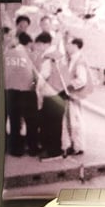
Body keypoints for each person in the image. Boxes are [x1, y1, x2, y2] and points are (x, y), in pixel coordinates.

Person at [34, 31, 67, 161]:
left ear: (44, 44)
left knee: (50, 124)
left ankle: (53, 151)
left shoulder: (49, 56)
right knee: (55, 124)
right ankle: (54, 149)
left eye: (38, 45)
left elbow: (44, 76)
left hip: (52, 94)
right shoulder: (59, 55)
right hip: (60, 93)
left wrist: (37, 90)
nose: (37, 48)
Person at [63, 37, 91, 156]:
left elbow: (82, 79)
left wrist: (68, 86)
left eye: (69, 44)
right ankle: (73, 145)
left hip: (75, 94)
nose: (67, 47)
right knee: (71, 120)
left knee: (75, 121)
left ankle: (78, 146)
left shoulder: (79, 60)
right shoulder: (72, 59)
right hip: (71, 94)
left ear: (75, 46)